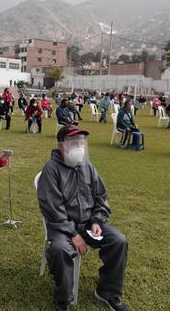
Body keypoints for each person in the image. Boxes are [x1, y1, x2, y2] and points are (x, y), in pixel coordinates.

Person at [37, 125, 129, 311]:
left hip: (88, 224)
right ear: (61, 146)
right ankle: (63, 300)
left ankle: (107, 292)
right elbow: (53, 209)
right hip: (62, 227)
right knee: (60, 249)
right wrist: (73, 234)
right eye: (73, 143)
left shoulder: (88, 167)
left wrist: (96, 220)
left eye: (81, 143)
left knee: (119, 241)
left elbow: (100, 197)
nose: (79, 147)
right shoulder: (51, 170)